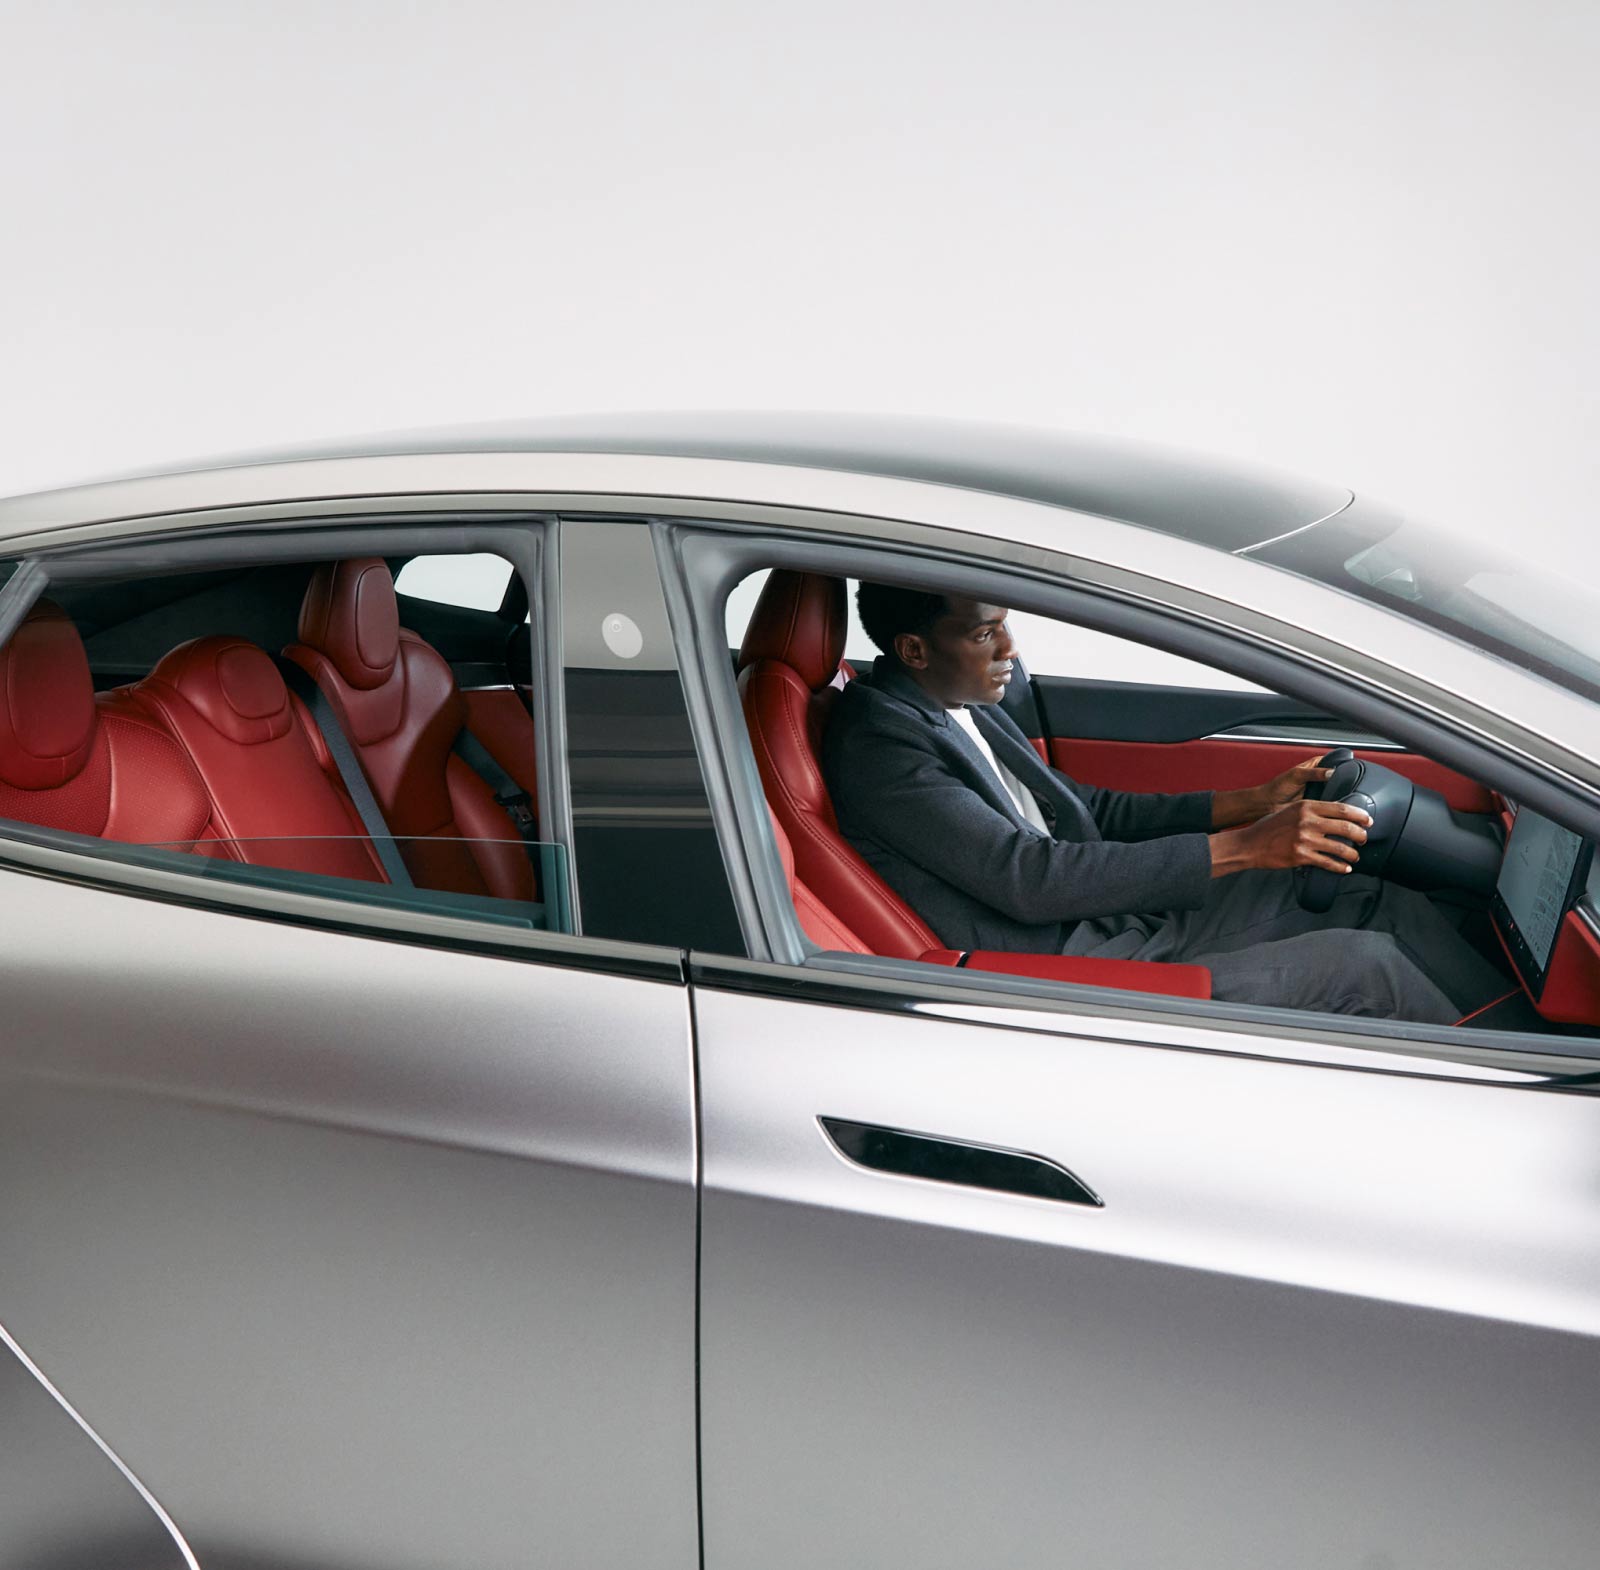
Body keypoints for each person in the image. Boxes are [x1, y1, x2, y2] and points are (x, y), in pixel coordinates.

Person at [821, 583, 1508, 1023]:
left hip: (1111, 911)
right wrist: (1249, 847)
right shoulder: (884, 749)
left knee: (1380, 899)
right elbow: (1028, 878)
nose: (1009, 648)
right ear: (913, 649)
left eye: (1005, 625)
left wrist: (1251, 803)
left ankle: (1523, 1033)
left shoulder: (957, 699)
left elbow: (1080, 811)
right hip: (1067, 957)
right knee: (1369, 966)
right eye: (983, 633)